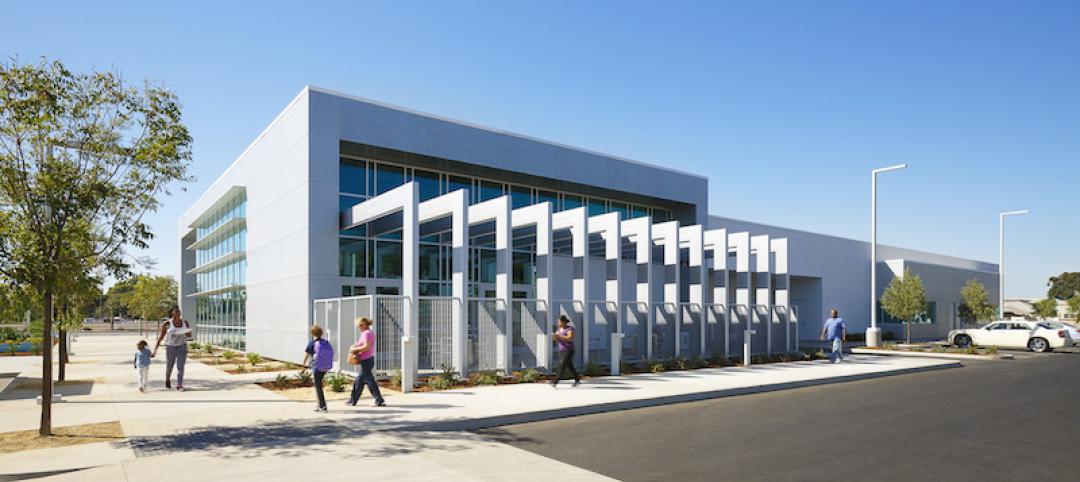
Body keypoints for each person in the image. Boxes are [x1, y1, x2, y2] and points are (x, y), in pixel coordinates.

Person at [346, 317, 385, 407]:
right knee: (359, 381)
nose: (358, 328)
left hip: (366, 360)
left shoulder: (366, 334)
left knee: (369, 382)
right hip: (367, 360)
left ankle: (379, 400)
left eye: (358, 326)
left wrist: (354, 349)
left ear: (363, 325)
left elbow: (366, 347)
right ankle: (353, 400)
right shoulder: (369, 333)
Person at [152, 307, 192, 391]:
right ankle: (167, 379)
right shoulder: (167, 323)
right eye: (176, 312)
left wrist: (187, 333)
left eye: (179, 312)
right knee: (169, 365)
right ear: (172, 314)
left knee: (180, 366)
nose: (178, 314)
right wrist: (155, 350)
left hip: (182, 346)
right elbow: (161, 337)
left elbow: (189, 335)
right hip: (170, 347)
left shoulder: (185, 322)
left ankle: (179, 384)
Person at [302, 325, 334, 412]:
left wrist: (303, 365)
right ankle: (319, 405)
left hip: (316, 367)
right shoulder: (326, 342)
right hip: (325, 367)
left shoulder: (312, 343)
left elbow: (306, 355)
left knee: (318, 386)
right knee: (319, 385)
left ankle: (322, 406)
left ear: (312, 334)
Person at [551, 315, 580, 387]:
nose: (558, 322)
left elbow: (570, 338)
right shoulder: (559, 329)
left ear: (563, 322)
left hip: (569, 350)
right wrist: (554, 337)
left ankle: (555, 381)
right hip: (561, 350)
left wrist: (559, 336)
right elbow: (556, 339)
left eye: (559, 321)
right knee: (569, 366)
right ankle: (577, 379)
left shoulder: (570, 329)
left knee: (562, 365)